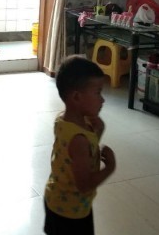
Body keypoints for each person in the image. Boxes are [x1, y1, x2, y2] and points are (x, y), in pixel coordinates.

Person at [43, 55, 116, 235]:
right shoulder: (79, 139)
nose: (102, 100)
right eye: (98, 92)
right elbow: (84, 184)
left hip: (57, 199)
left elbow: (80, 154)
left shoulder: (63, 120)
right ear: (76, 97)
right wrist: (109, 168)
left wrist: (98, 131)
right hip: (70, 213)